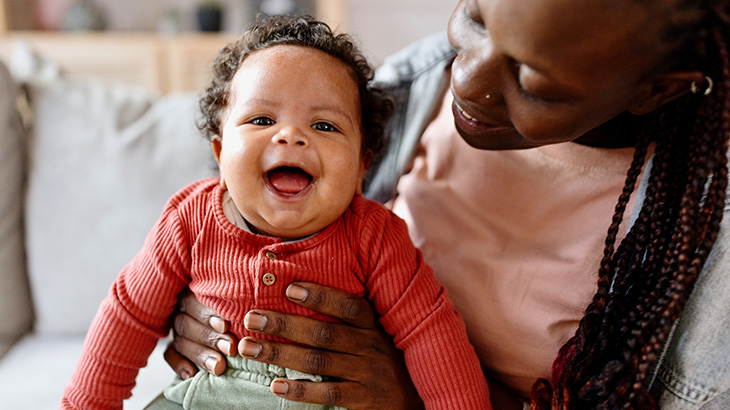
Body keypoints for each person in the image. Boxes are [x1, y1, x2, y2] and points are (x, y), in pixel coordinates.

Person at [164, 0, 730, 409]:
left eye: (533, 81)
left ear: (659, 88)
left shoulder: (704, 235)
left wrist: (417, 393)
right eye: (476, 18)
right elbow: (238, 197)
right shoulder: (415, 85)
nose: (466, 77)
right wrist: (200, 310)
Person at [59, 15, 491, 410]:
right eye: (262, 120)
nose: (291, 136)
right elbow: (128, 315)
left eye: (324, 126)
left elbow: (432, 335)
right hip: (205, 394)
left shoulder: (376, 236)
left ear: (363, 166)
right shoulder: (188, 219)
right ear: (220, 152)